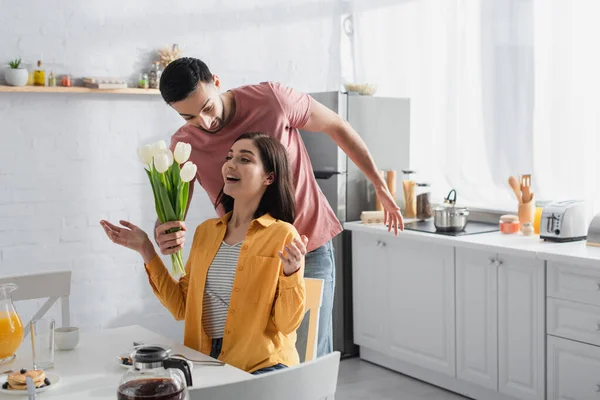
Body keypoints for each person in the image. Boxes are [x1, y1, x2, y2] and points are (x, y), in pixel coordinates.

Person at [154, 57, 404, 358]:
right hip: (249, 261)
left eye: (207, 108)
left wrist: (379, 184)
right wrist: (164, 232)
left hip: (306, 246)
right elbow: (172, 209)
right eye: (189, 117)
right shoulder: (185, 143)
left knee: (309, 353)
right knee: (258, 358)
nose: (205, 123)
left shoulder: (272, 99)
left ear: (216, 82)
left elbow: (336, 125)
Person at [100, 132, 307, 374]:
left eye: (244, 159)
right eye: (229, 157)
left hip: (260, 365)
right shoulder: (206, 232)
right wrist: (146, 249)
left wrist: (292, 273)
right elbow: (181, 307)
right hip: (203, 359)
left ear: (269, 177)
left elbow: (287, 323)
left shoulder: (282, 235)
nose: (230, 164)